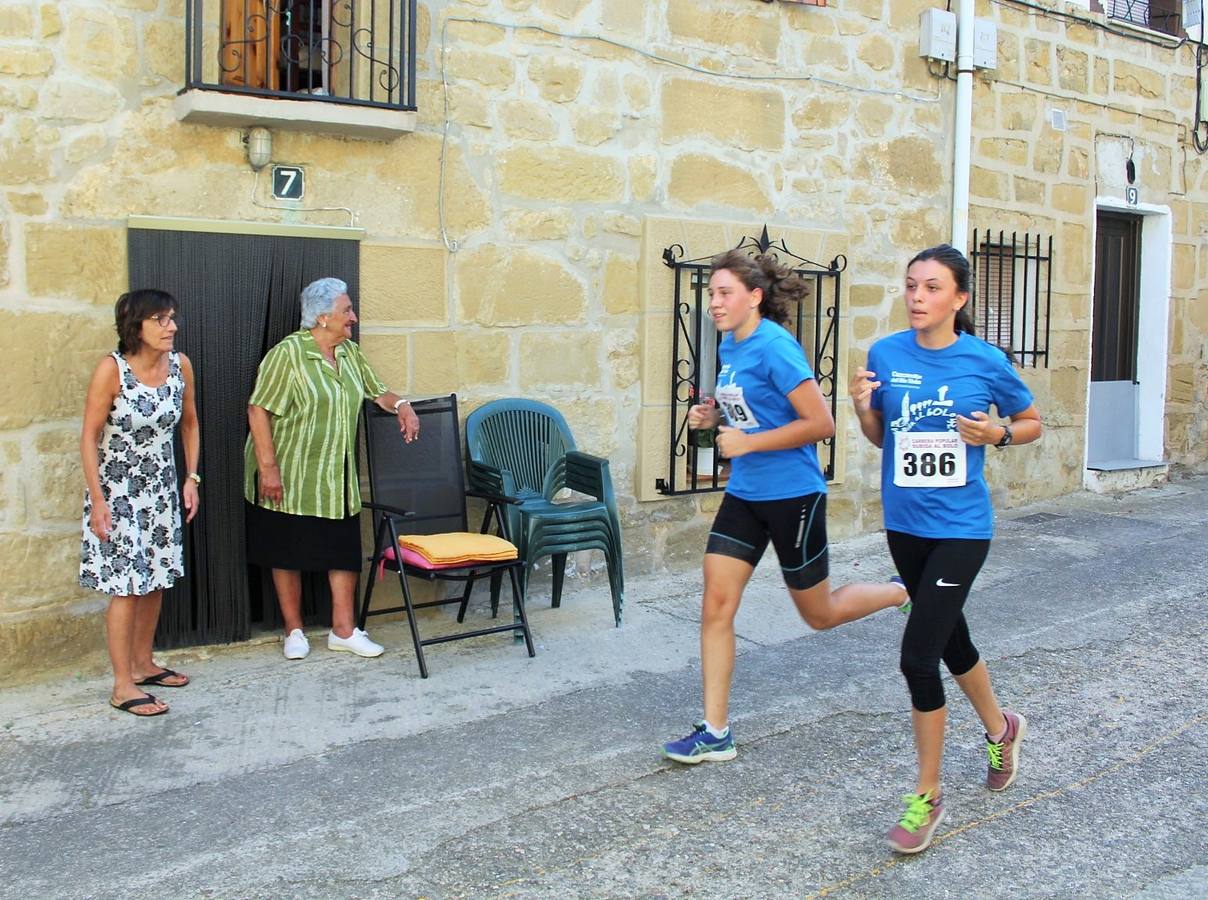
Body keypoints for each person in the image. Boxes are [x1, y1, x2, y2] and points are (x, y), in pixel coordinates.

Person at [662, 250, 909, 764]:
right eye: (711, 294)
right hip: (746, 494)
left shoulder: (777, 347)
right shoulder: (732, 344)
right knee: (716, 603)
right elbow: (752, 410)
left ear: (754, 297)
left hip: (793, 495)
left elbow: (821, 424)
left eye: (725, 293)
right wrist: (714, 416)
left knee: (818, 614)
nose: (715, 303)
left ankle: (898, 592)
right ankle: (715, 731)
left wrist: (748, 445)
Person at [850, 244, 1043, 854]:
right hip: (905, 526)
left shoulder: (984, 362)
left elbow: (1033, 420)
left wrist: (999, 433)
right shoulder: (885, 354)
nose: (916, 297)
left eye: (932, 288)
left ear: (958, 299)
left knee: (917, 657)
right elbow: (884, 438)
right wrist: (861, 408)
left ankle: (927, 797)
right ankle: (1001, 727)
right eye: (911, 285)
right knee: (950, 638)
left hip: (962, 527)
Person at [244, 277, 420, 660]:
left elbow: (378, 391)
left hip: (336, 475)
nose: (353, 318)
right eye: (347, 311)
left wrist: (403, 404)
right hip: (290, 470)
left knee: (342, 549)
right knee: (286, 549)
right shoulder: (288, 354)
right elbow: (258, 408)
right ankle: (294, 631)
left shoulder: (350, 354)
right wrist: (267, 467)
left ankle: (344, 629)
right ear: (322, 317)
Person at [80, 290, 200, 717]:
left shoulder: (180, 366)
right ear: (136, 326)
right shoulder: (112, 370)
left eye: (172, 318)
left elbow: (189, 423)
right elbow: (89, 437)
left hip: (162, 489)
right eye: (161, 319)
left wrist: (191, 477)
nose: (172, 327)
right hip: (118, 493)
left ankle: (144, 664)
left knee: (157, 580)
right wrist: (98, 500)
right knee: (126, 587)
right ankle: (122, 685)